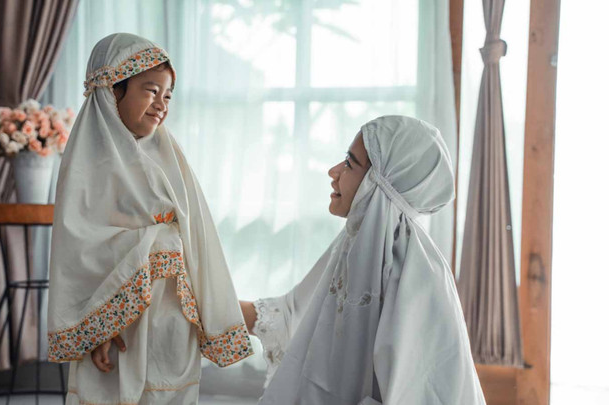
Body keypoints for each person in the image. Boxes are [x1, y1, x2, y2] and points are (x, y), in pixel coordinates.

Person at [47, 33, 253, 405]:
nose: (161, 104)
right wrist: (102, 324)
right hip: (117, 324)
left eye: (168, 95)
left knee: (168, 393)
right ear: (112, 92)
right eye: (151, 91)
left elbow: (197, 232)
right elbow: (81, 248)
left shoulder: (168, 155)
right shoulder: (90, 165)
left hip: (172, 315)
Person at [241, 116, 486, 404]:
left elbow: (419, 392)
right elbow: (289, 317)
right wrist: (203, 301)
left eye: (349, 163)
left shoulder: (420, 276)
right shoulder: (351, 246)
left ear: (378, 182)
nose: (333, 171)